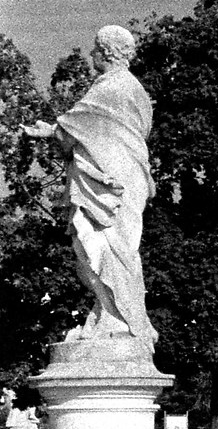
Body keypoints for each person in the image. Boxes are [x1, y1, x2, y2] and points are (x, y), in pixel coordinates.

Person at [22, 24, 154, 343]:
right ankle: (109, 311)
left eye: (95, 50)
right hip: (121, 178)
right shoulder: (134, 90)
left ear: (106, 52)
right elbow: (90, 129)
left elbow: (80, 128)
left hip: (111, 184)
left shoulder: (113, 87)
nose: (92, 55)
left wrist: (51, 132)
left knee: (110, 246)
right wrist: (57, 131)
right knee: (102, 248)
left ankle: (122, 319)